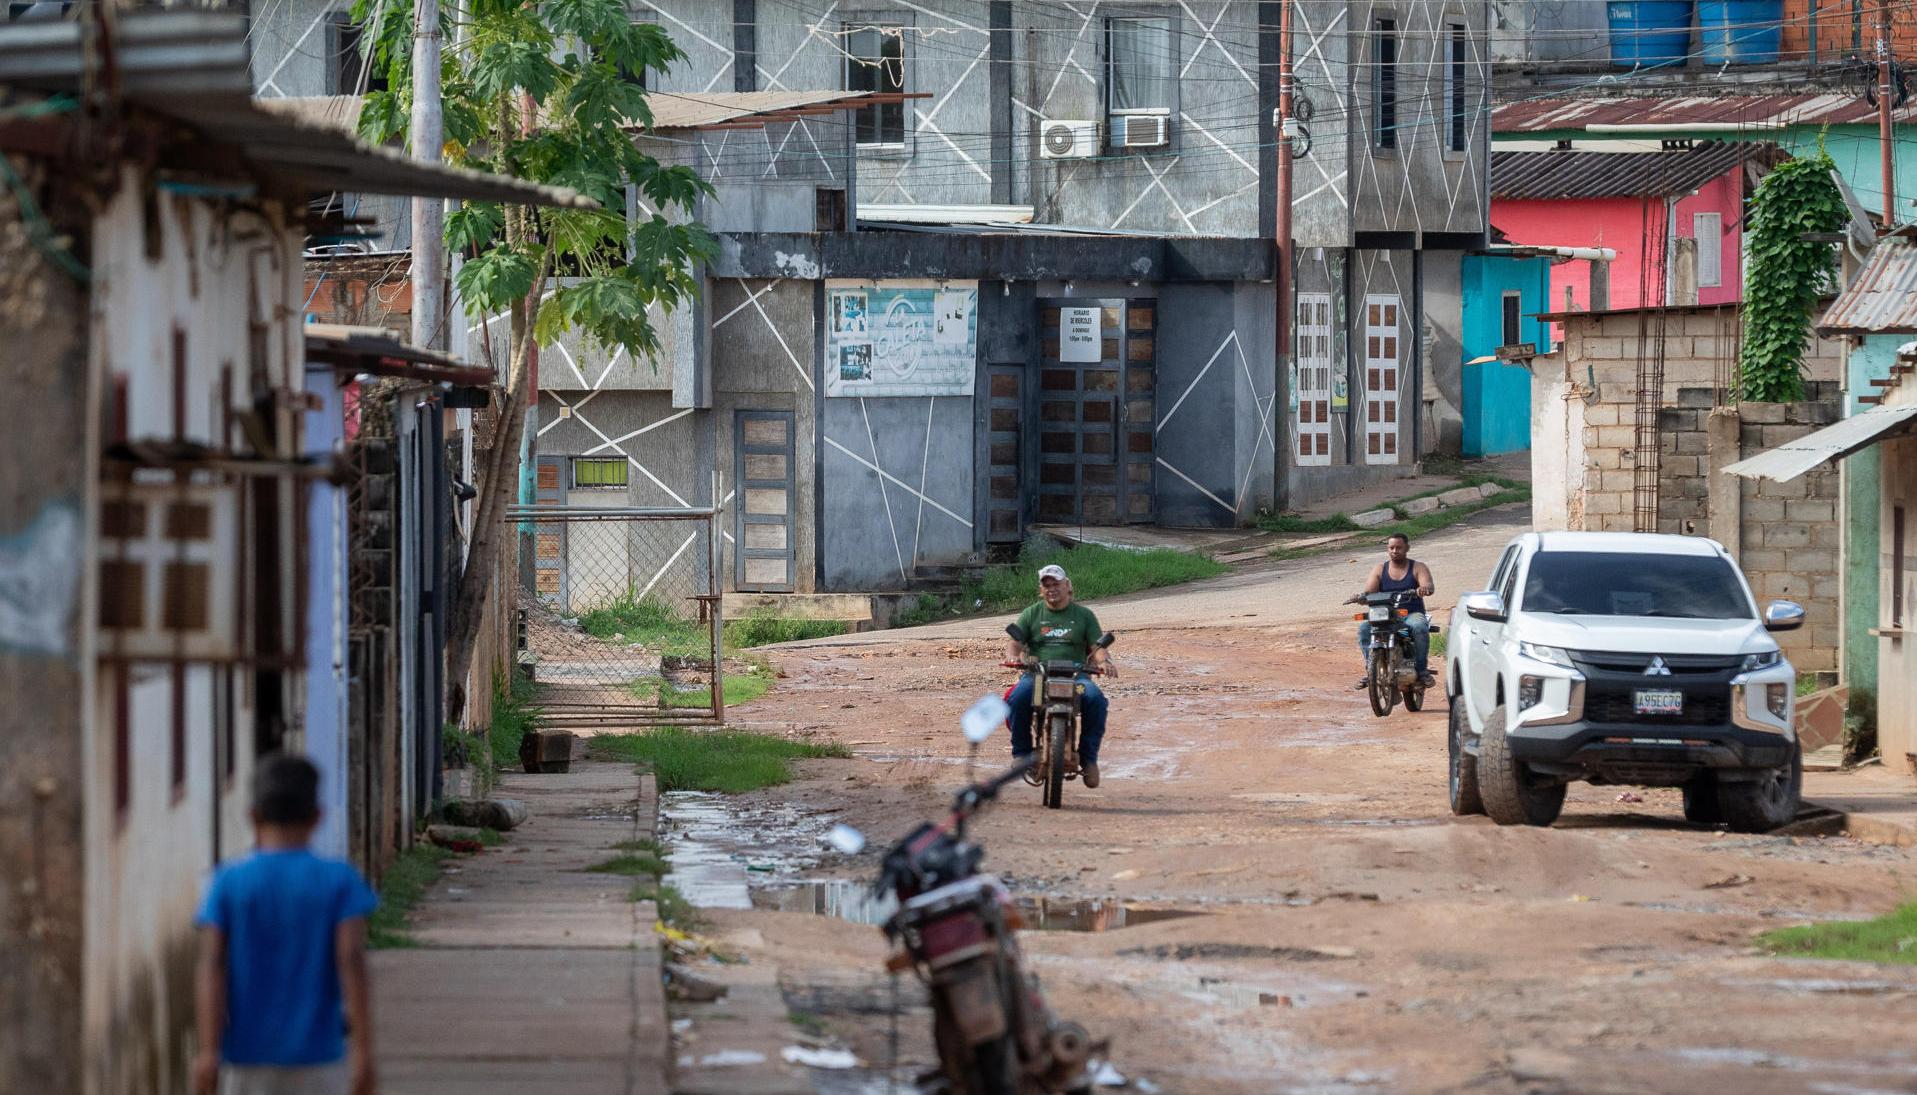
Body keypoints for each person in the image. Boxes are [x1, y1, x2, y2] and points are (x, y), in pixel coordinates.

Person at [195, 754, 378, 1095]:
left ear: (252, 816)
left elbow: (212, 966)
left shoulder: (227, 883)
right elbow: (351, 960)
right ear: (317, 817)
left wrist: (208, 1052)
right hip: (320, 1059)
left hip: (245, 1058)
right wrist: (364, 1054)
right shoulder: (339, 881)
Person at [1005, 563, 1116, 788]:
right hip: (1038, 675)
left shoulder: (1084, 615)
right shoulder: (1031, 614)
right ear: (1041, 590)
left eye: (1056, 584)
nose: (1051, 589)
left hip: (1077, 676)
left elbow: (1097, 646)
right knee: (1017, 698)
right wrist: (1013, 658)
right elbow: (1014, 643)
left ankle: (1089, 759)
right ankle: (1022, 755)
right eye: (1046, 585)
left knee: (1096, 699)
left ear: (1067, 586)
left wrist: (1105, 660)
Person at [1345, 532, 1436, 691]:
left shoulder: (1418, 567)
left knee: (1420, 628)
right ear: (1387, 549)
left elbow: (1428, 586)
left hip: (1410, 614)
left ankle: (1422, 671)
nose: (1395, 551)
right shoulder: (1380, 569)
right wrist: (1360, 597)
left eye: (1399, 547)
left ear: (1407, 548)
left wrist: (1423, 589)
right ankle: (1371, 671)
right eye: (1391, 548)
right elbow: (1369, 592)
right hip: (1385, 616)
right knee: (1364, 629)